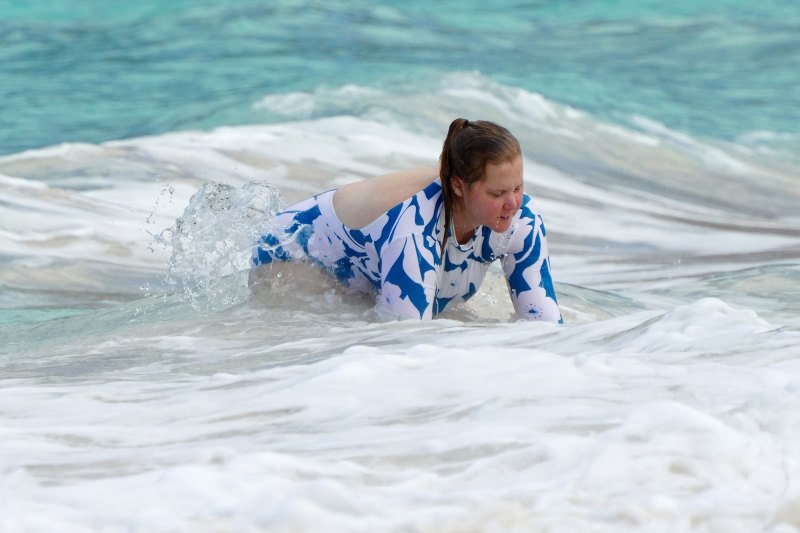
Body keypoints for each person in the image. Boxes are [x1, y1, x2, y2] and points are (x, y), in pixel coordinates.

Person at [251, 118, 562, 322]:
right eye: (497, 193)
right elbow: (402, 348)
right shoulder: (415, 232)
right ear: (457, 186)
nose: (512, 203)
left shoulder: (522, 219)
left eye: (518, 188)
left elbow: (544, 323)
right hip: (291, 256)